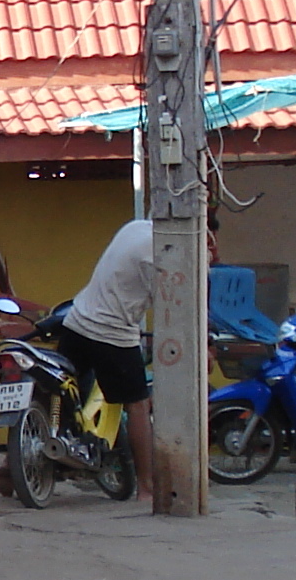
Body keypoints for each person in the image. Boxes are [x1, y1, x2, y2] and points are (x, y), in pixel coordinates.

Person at [59, 208, 219, 507]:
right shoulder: (165, 252)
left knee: (56, 392)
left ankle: (10, 466)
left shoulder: (134, 228)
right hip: (113, 334)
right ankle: (147, 486)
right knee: (138, 405)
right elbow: (184, 305)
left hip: (76, 321)